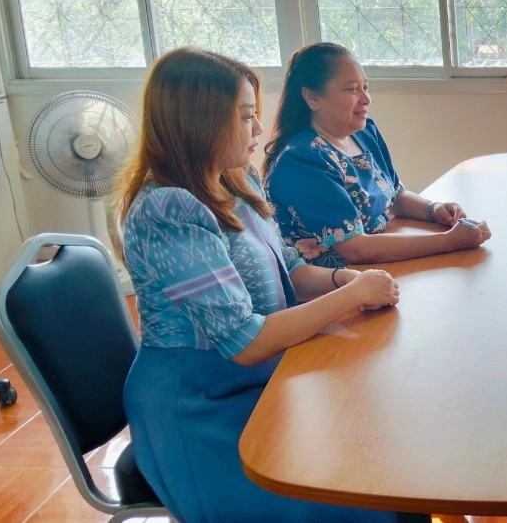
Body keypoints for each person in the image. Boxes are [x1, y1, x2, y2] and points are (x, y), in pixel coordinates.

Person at [118, 47, 400, 523]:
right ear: (201, 120)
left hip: (259, 384)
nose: (258, 129)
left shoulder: (234, 181)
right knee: (362, 499)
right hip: (200, 406)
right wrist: (351, 296)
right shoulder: (168, 210)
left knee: (381, 461)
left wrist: (343, 279)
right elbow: (244, 342)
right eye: (245, 116)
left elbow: (291, 269)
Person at [264, 42, 490, 268]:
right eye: (352, 89)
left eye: (366, 87)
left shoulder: (364, 133)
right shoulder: (302, 160)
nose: (366, 99)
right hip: (339, 280)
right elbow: (356, 249)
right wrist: (450, 240)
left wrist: (435, 209)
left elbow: (396, 196)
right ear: (312, 97)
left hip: (379, 267)